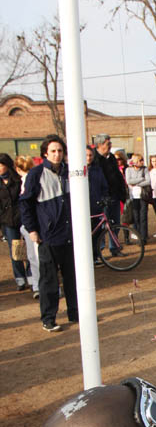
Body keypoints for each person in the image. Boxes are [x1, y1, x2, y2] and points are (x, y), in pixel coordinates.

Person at [20, 135, 78, 332]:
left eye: (60, 151)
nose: (57, 154)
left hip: (70, 235)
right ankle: (48, 318)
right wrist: (32, 230)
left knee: (72, 277)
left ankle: (75, 313)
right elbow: (25, 204)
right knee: (49, 280)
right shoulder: (36, 174)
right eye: (53, 151)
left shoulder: (70, 172)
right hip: (48, 236)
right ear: (45, 152)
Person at [94, 134, 128, 255]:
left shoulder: (112, 157)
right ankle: (100, 250)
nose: (110, 146)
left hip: (114, 195)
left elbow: (117, 175)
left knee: (115, 223)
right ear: (99, 145)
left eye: (110, 143)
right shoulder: (94, 159)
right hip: (102, 197)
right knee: (102, 225)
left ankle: (114, 247)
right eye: (108, 144)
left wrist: (122, 192)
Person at [0, 154, 28, 290]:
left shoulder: (18, 180)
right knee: (14, 249)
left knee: (28, 247)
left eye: (1, 165)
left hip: (22, 217)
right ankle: (20, 278)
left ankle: (31, 275)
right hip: (7, 220)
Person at [14, 155, 39, 296]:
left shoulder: (27, 182)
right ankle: (37, 284)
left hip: (31, 224)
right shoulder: (30, 179)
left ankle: (38, 285)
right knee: (35, 257)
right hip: (30, 224)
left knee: (35, 257)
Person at [86, 146, 109, 264]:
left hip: (96, 205)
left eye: (90, 155)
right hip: (84, 207)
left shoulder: (97, 169)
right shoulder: (78, 170)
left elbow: (103, 185)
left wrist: (104, 197)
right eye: (86, 155)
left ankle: (95, 256)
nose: (88, 158)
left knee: (97, 233)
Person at [125, 154, 151, 244]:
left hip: (143, 196)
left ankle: (143, 237)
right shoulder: (128, 170)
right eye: (140, 160)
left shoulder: (145, 169)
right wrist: (141, 179)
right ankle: (138, 235)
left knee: (143, 217)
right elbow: (128, 181)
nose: (142, 162)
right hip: (133, 197)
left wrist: (137, 184)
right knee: (136, 218)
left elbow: (148, 181)